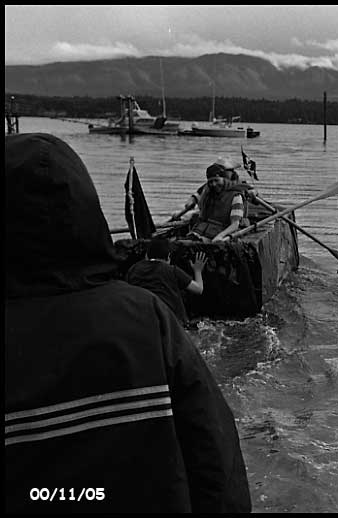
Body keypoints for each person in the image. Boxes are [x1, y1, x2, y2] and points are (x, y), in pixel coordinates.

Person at [5, 133, 251, 513]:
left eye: (220, 177)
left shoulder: (142, 287)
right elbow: (216, 459)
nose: (216, 182)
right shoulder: (148, 316)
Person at [126, 239, 207, 325]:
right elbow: (199, 289)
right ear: (168, 256)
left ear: (146, 256)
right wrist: (198, 270)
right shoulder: (172, 270)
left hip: (143, 319)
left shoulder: (134, 269)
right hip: (172, 321)